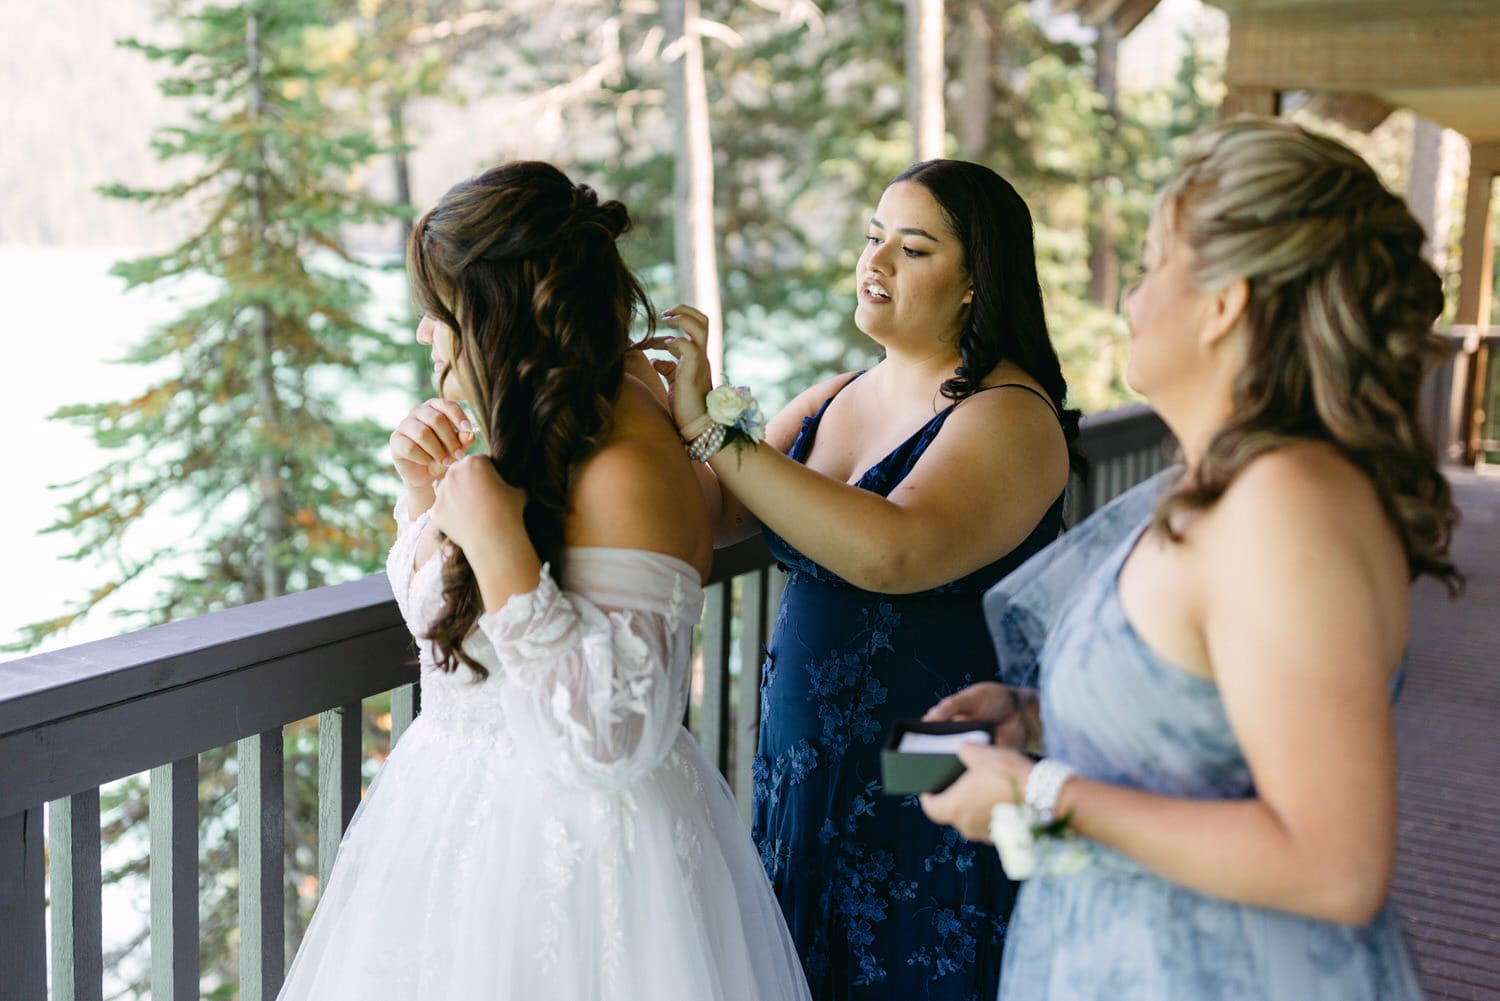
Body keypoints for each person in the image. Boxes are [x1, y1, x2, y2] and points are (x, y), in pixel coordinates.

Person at [919, 117, 1458, 1000]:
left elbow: (1336, 865)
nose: (1130, 300)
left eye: (1151, 264)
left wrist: (1044, 795)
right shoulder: (1221, 484)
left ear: (1224, 301)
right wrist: (1042, 720)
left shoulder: (1284, 506)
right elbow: (1214, 714)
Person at [277, 161, 811, 1001]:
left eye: (441, 311)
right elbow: (467, 626)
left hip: (582, 875)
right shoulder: (545, 416)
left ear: (499, 313)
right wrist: (429, 491)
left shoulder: (627, 463)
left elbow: (613, 740)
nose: (427, 334)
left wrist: (493, 542)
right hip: (445, 838)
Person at [650, 159, 1081, 1000]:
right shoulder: (827, 399)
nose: (875, 262)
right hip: (806, 778)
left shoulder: (1009, 415)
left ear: (973, 284)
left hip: (929, 782)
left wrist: (713, 429)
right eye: (873, 237)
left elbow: (893, 549)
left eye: (913, 248)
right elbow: (711, 512)